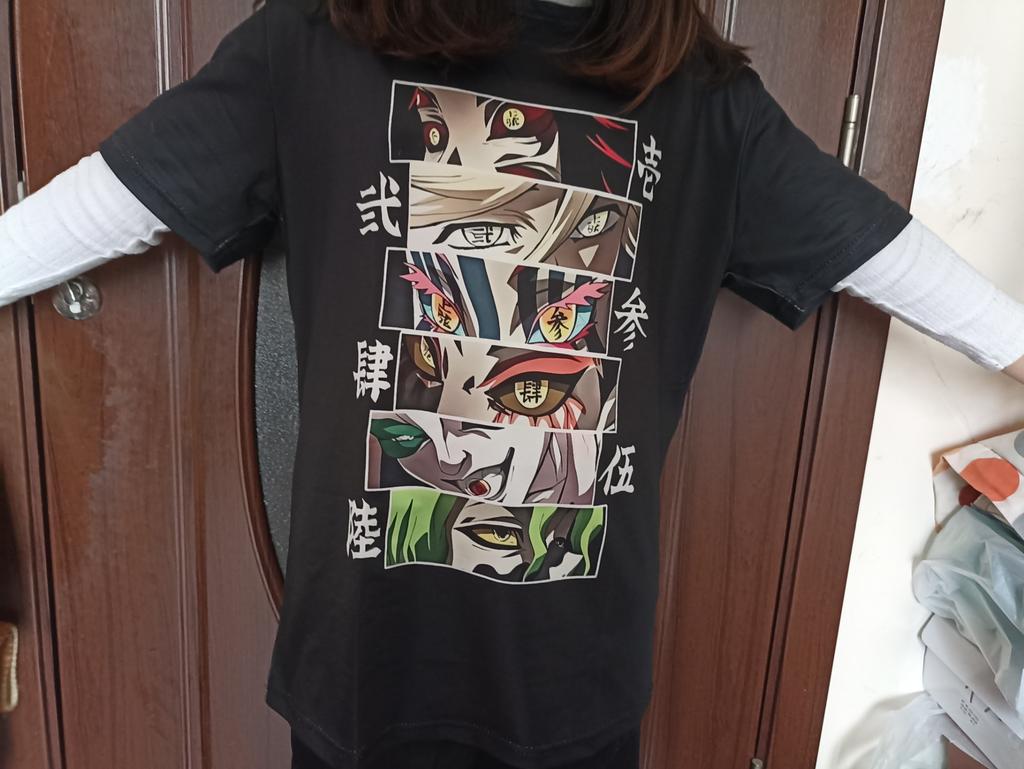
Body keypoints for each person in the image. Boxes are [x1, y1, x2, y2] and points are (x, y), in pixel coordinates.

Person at [1, 1, 1022, 768]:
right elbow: (111, 201)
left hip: (570, 676)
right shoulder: (312, 43)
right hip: (366, 659)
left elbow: (880, 251)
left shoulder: (704, 101)